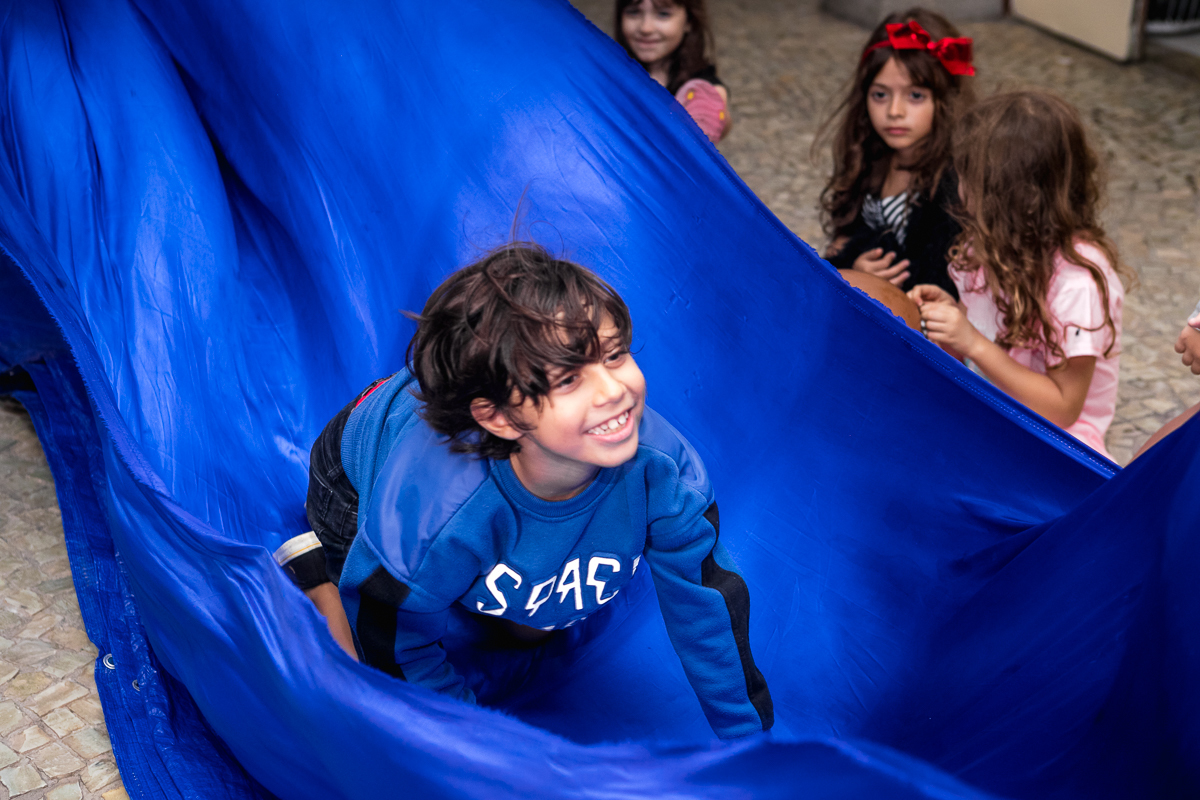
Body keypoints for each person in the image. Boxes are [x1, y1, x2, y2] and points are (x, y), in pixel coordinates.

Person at [275, 242, 773, 740]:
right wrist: (483, 753)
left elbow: (707, 607)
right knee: (357, 683)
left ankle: (476, 582)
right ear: (501, 417)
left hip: (490, 490)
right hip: (355, 480)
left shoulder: (663, 471)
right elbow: (397, 650)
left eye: (615, 354)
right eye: (569, 379)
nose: (613, 390)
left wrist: (750, 743)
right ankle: (317, 577)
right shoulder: (431, 513)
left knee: (536, 632)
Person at [909, 90, 1131, 461]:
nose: (961, 193)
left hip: (1055, 445)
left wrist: (974, 342)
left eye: (972, 182)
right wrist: (953, 321)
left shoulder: (1078, 285)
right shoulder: (984, 247)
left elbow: (1063, 410)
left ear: (1019, 198)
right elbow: (979, 344)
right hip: (992, 410)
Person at [819, 8, 975, 298]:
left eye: (915, 96)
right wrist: (853, 269)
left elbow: (946, 284)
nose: (894, 112)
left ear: (945, 100)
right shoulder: (870, 154)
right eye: (880, 95)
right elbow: (847, 240)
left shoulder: (954, 182)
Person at [615, 0, 730, 143]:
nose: (645, 28)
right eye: (633, 12)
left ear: (690, 21)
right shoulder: (610, 74)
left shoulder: (704, 92)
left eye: (663, 14)